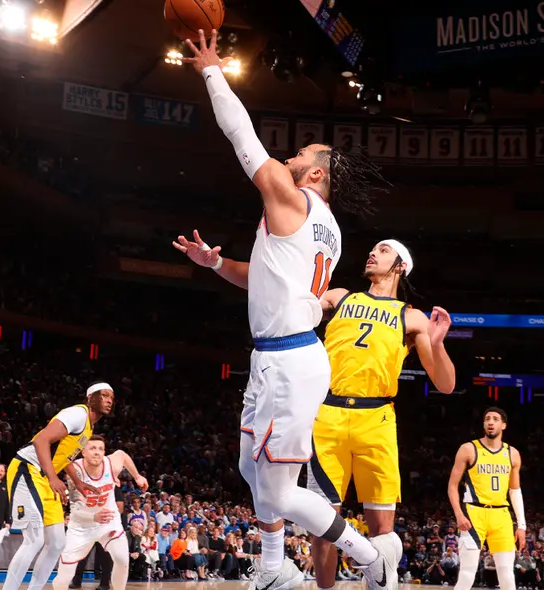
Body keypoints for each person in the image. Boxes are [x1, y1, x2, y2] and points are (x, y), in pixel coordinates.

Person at [177, 28, 395, 590]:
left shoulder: (291, 199)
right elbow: (265, 279)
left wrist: (211, 69)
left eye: (301, 155)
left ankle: (369, 556)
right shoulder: (329, 231)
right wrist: (214, 263)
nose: (291, 157)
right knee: (251, 468)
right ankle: (274, 571)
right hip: (281, 357)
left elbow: (241, 134)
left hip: (289, 362)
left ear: (316, 173)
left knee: (276, 491)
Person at [309, 239, 457, 589]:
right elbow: (293, 307)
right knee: (321, 524)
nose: (372, 253)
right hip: (327, 413)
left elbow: (446, 384)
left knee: (382, 529)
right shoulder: (339, 296)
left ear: (400, 266)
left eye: (384, 250)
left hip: (377, 418)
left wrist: (437, 344)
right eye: (373, 249)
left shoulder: (411, 316)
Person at [3, 383, 115, 590]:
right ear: (90, 398)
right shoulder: (77, 414)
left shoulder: (89, 428)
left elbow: (65, 456)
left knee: (56, 543)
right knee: (34, 540)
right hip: (28, 469)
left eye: (111, 398)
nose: (109, 400)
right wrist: (53, 477)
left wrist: (78, 483)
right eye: (104, 396)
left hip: (45, 478)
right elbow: (41, 440)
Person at [52, 436, 148, 590]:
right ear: (83, 452)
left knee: (122, 559)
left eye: (100, 449)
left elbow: (122, 455)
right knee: (64, 577)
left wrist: (137, 476)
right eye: (92, 448)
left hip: (108, 522)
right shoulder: (75, 471)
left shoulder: (111, 464)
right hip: (81, 526)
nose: (97, 452)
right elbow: (75, 510)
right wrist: (93, 517)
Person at [448, 408, 527, 590]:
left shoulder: (512, 453)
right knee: (467, 573)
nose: (490, 422)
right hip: (473, 514)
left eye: (495, 419)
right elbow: (452, 486)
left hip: (501, 515)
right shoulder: (468, 449)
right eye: (487, 419)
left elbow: (515, 491)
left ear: (503, 425)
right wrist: (459, 515)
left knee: (507, 574)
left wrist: (521, 525)